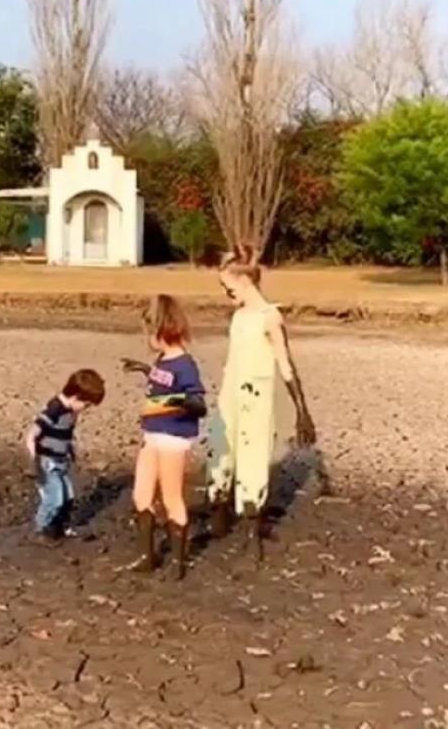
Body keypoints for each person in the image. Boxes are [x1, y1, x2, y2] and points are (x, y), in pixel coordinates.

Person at [206, 243, 316, 560]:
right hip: (231, 393)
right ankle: (219, 514)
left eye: (228, 288)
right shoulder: (239, 317)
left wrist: (302, 410)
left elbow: (286, 363)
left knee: (253, 458)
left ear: (243, 282)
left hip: (257, 397)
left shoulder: (270, 317)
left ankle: (252, 532)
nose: (227, 294)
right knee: (220, 449)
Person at [122, 295, 207, 579]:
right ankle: (148, 555)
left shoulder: (185, 364)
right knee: (141, 494)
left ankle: (178, 563)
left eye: (149, 333)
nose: (147, 340)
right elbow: (164, 381)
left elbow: (198, 404)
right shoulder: (163, 361)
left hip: (173, 436)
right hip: (153, 433)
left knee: (171, 496)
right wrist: (146, 370)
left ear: (162, 331)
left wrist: (171, 402)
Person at [25, 368, 106, 540]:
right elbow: (33, 433)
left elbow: (65, 434)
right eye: (86, 405)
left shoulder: (71, 411)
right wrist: (34, 460)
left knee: (68, 497)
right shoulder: (55, 408)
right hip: (47, 462)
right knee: (54, 499)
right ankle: (42, 529)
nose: (86, 409)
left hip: (61, 461)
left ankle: (59, 527)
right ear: (76, 397)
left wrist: (70, 450)